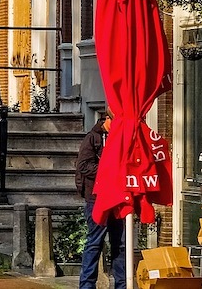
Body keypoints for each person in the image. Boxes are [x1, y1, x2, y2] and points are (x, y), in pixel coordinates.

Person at [75, 110, 125, 289]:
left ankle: (122, 284)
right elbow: (83, 166)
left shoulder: (120, 137)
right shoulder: (92, 138)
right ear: (108, 119)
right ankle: (87, 285)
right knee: (95, 242)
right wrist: (110, 170)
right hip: (96, 198)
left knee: (120, 244)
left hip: (118, 198)